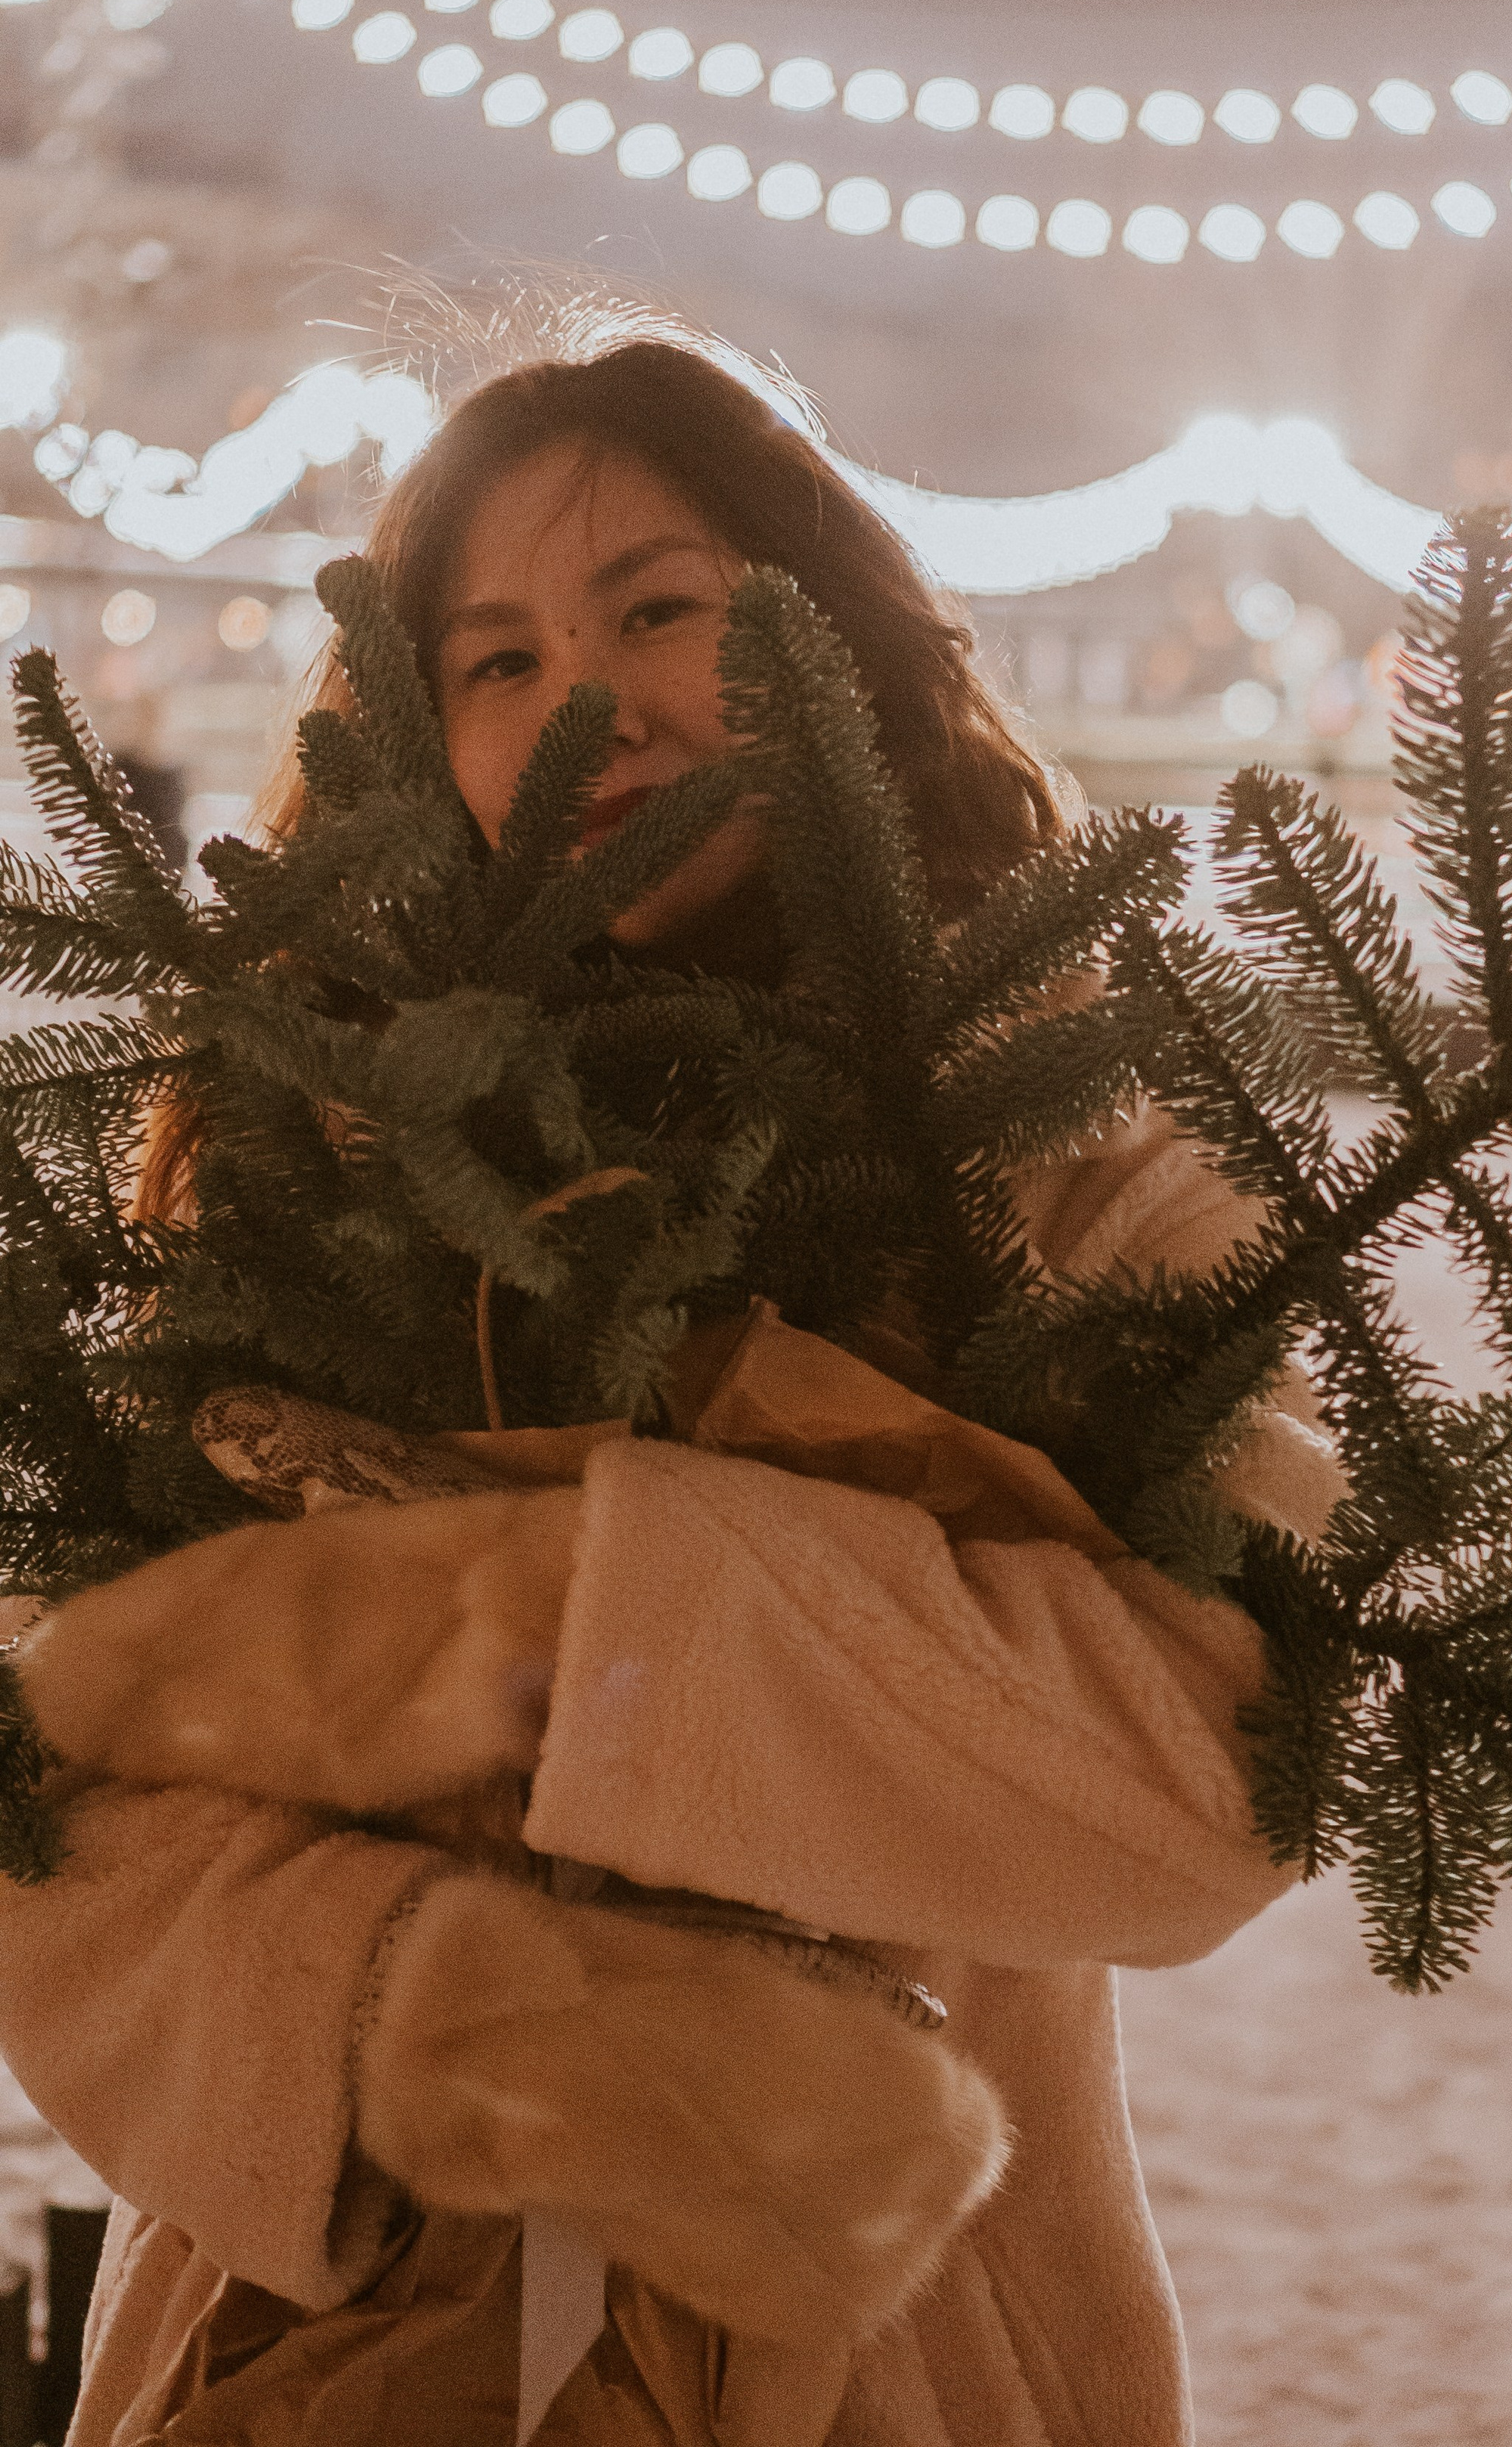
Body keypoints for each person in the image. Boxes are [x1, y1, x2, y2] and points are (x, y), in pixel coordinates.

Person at [0, 318, 1348, 2445]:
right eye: (500, 658)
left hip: (901, 2351)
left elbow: (1214, 1773)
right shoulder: (314, 1150)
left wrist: (562, 1615)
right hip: (323, 2361)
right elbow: (67, 1800)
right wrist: (464, 2026)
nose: (587, 706)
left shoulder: (1065, 1147)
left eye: (658, 612)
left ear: (829, 642)